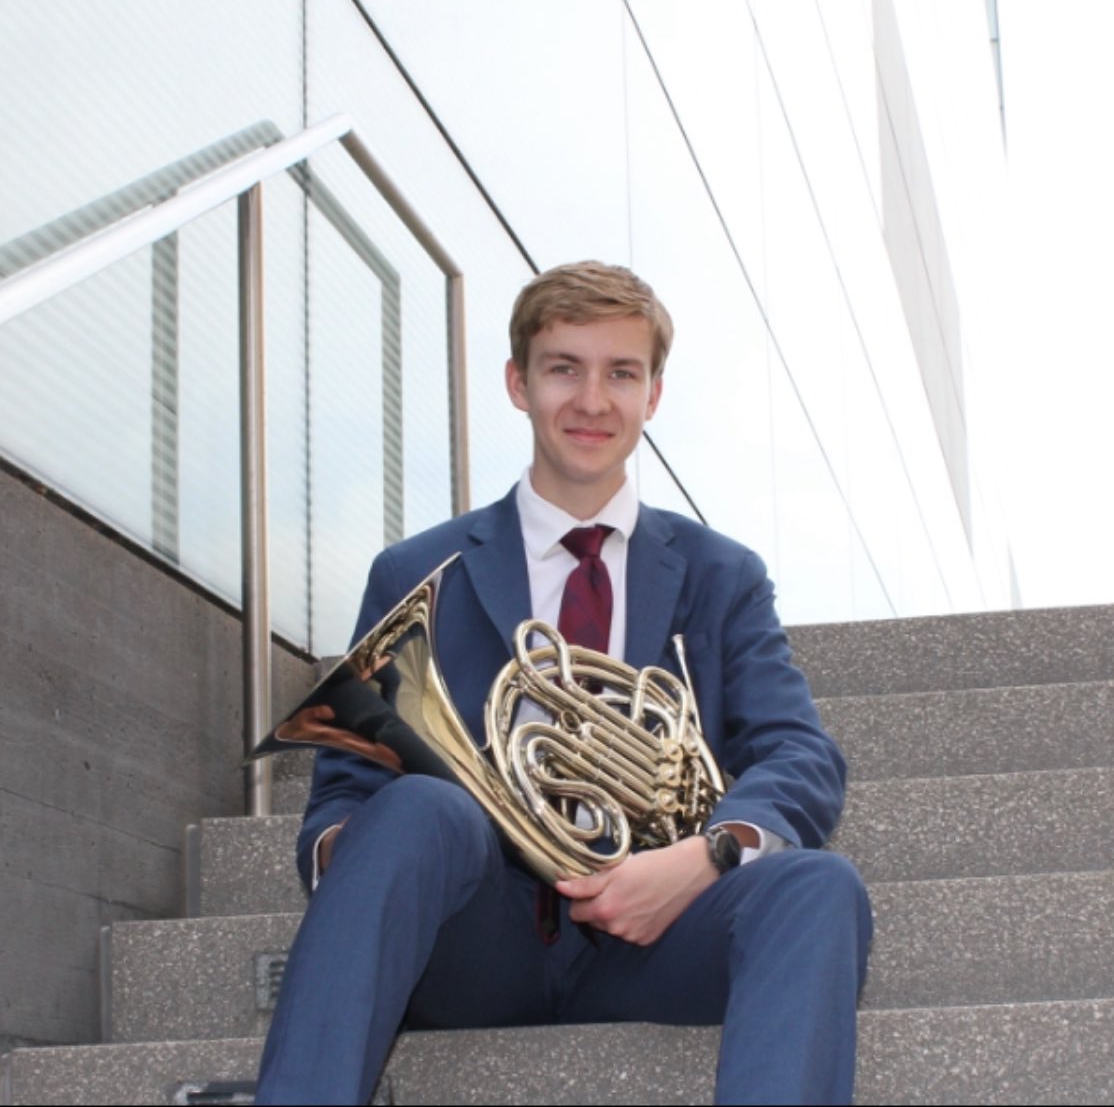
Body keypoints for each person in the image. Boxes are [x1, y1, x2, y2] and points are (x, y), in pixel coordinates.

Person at [254, 261, 873, 1105]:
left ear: (653, 395)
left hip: (652, 941)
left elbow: (799, 751)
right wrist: (374, 863)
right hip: (471, 945)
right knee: (419, 807)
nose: (592, 401)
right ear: (519, 383)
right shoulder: (414, 569)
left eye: (621, 373)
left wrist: (704, 857)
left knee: (819, 885)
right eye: (563, 369)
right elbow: (342, 796)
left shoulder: (720, 574)